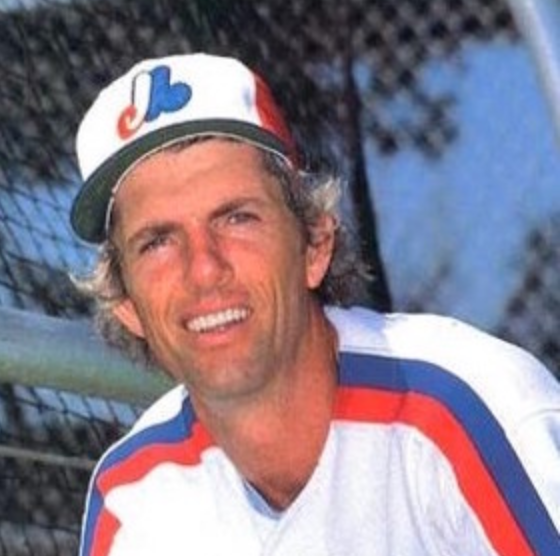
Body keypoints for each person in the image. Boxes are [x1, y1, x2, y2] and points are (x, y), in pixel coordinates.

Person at [70, 52, 560, 556]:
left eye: (237, 218)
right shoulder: (133, 499)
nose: (204, 269)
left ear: (315, 245)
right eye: (157, 242)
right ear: (126, 303)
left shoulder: (468, 411)